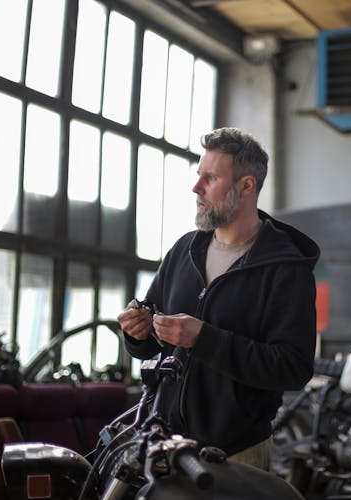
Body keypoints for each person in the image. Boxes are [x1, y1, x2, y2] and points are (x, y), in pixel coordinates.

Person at [117, 127, 319, 470]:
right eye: (199, 176)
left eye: (210, 178)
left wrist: (203, 338)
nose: (196, 188)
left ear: (246, 186)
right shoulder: (184, 250)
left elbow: (293, 369)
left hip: (237, 454)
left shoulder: (286, 269)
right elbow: (151, 345)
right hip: (164, 447)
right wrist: (137, 333)